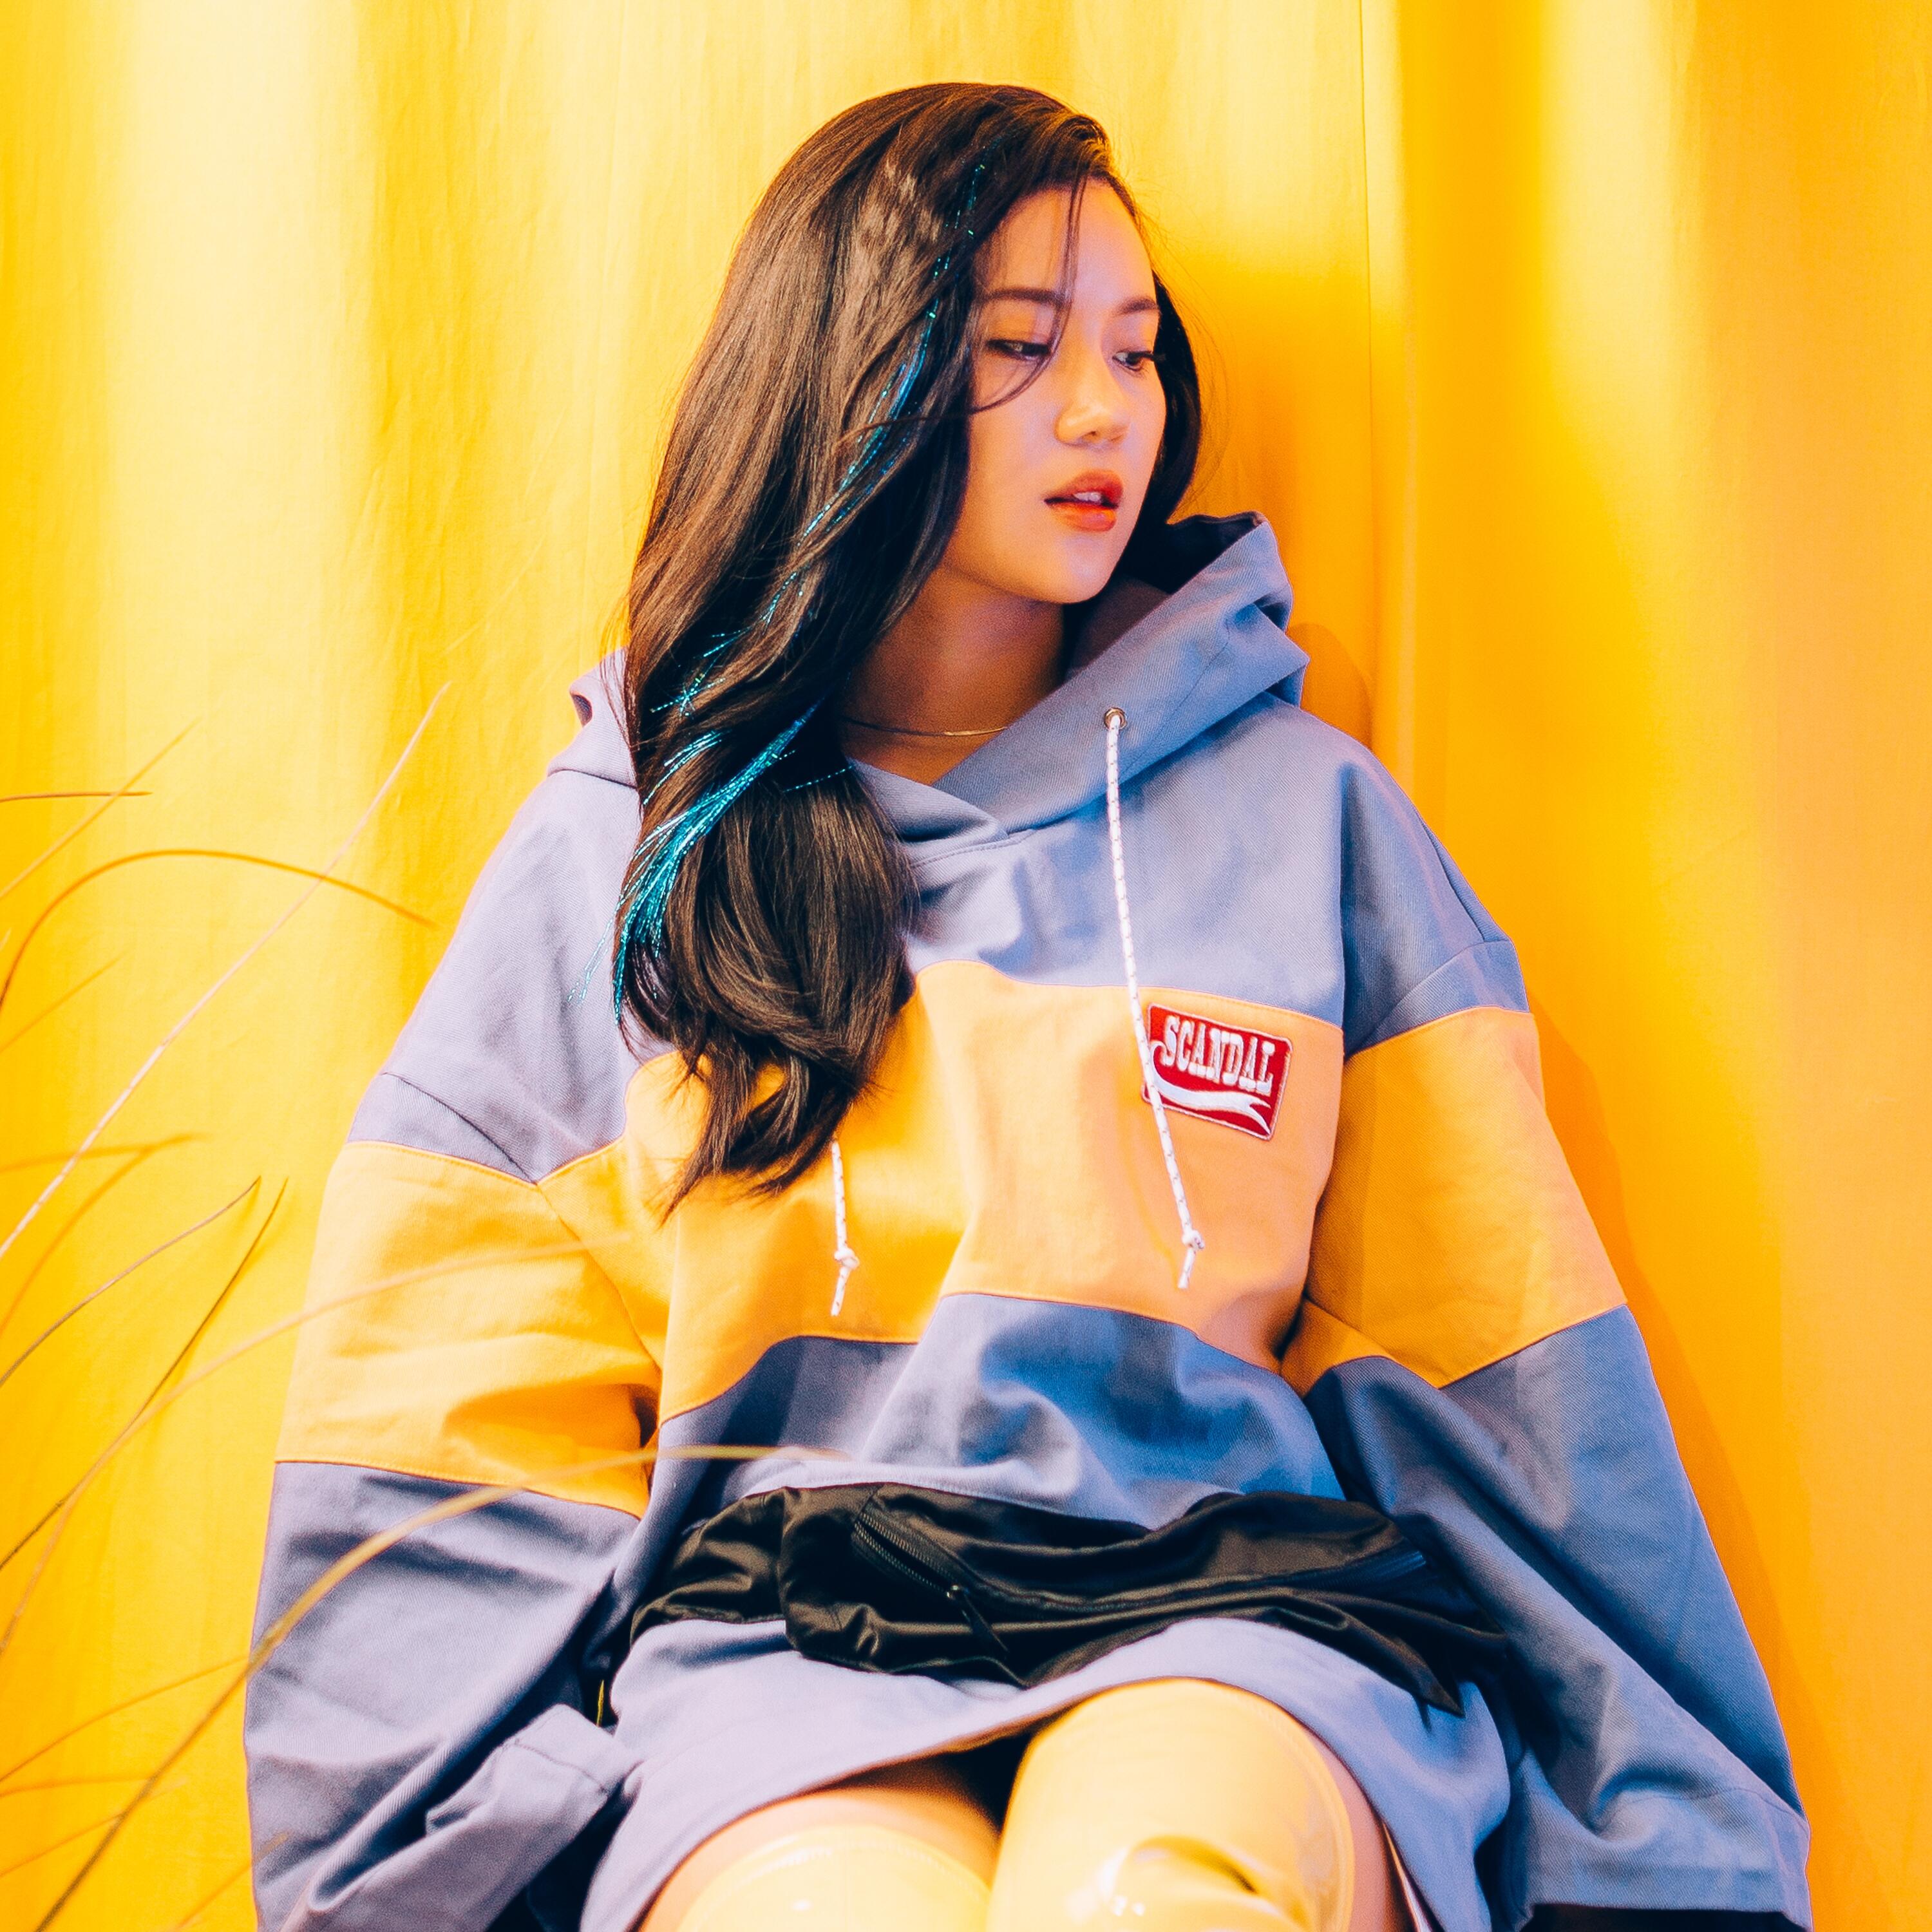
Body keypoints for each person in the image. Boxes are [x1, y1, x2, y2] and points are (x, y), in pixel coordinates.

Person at [244, 83, 1810, 1932]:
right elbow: (450, 1395)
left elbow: (1507, 1373)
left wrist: (1668, 1859)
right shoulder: (632, 847)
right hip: (776, 1668)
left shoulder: (1308, 822)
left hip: (1236, 1639)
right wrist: (422, 1865)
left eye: (1135, 351)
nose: (1103, 413)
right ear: (851, 379)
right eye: (1019, 348)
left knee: (1156, 1900)